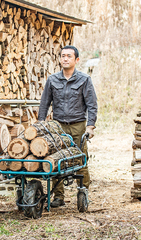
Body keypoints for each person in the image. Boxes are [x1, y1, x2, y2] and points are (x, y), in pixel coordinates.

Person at [38, 45, 98, 207]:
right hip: (57, 127)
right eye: (63, 56)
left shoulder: (84, 80)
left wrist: (90, 126)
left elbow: (92, 105)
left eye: (69, 56)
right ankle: (59, 197)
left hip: (78, 125)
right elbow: (44, 104)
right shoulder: (52, 80)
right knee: (56, 160)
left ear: (76, 60)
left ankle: (82, 191)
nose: (65, 59)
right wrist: (41, 123)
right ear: (60, 59)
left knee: (80, 159)